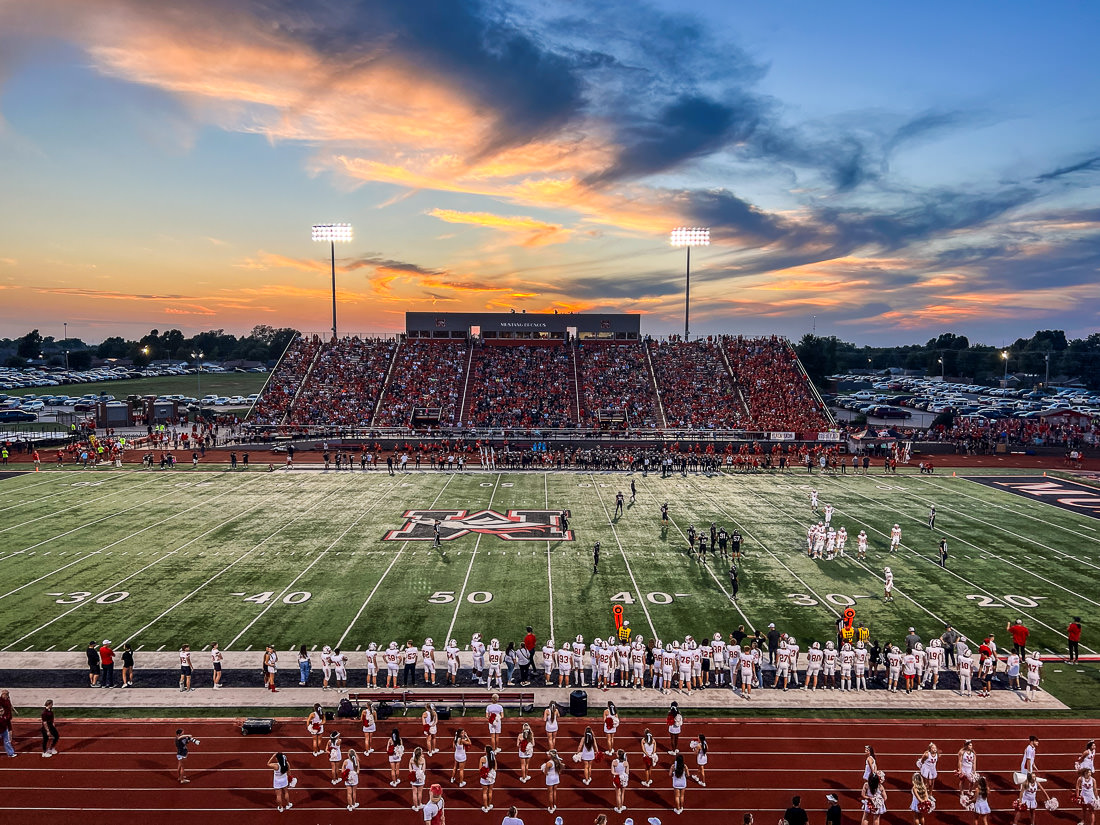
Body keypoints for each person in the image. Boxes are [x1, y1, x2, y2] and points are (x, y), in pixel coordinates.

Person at [542, 749, 563, 813]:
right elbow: (560, 770)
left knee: (550, 793)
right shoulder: (558, 761)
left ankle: (551, 808)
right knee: (554, 792)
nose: (547, 755)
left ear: (551, 756)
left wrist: (543, 768)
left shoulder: (548, 763)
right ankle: (554, 805)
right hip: (556, 778)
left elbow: (545, 773)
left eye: (549, 754)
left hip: (550, 778)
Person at [479, 746, 497, 812]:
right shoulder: (493, 758)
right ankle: (489, 805)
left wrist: (485, 772)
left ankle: (485, 807)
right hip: (491, 777)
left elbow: (480, 769)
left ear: (486, 751)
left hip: (484, 778)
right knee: (490, 792)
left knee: (484, 793)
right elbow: (495, 768)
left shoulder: (482, 759)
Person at [409, 745, 427, 810]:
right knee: (420, 792)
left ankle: (415, 807)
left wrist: (414, 774)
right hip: (420, 778)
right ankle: (420, 805)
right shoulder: (422, 760)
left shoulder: (411, 759)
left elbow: (410, 770)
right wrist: (419, 774)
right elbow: (423, 770)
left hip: (414, 778)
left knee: (414, 793)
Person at [611, 748, 629, 813]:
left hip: (617, 778)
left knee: (618, 794)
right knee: (623, 793)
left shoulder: (614, 762)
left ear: (618, 755)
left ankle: (618, 809)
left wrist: (618, 774)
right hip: (624, 778)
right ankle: (621, 806)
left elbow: (612, 772)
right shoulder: (626, 763)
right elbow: (627, 772)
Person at [0, 689, 15, 757]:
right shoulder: (0, 700)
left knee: (7, 740)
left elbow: (10, 704)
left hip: (6, 720)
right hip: (2, 723)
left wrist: (14, 710)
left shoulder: (7, 699)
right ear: (3, 694)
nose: (8, 695)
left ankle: (10, 753)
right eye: (6, 694)